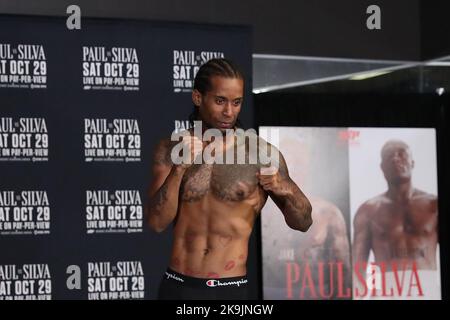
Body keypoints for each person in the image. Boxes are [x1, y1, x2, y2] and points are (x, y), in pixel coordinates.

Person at [145, 58, 312, 300]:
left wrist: (285, 188)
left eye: (237, 103)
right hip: (178, 286)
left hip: (229, 291)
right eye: (220, 101)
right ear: (198, 98)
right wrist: (179, 169)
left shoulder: (261, 154)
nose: (229, 112)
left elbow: (304, 222)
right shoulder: (170, 148)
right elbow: (156, 222)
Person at [262, 133, 351, 299]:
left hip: (315, 292)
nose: (295, 168)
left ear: (308, 166)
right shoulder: (259, 206)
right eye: (290, 162)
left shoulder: (327, 212)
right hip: (268, 292)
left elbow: (343, 272)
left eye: (299, 163)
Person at [352, 139, 439, 299]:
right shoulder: (368, 210)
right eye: (388, 156)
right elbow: (357, 268)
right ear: (382, 167)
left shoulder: (434, 206)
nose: (395, 158)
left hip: (427, 288)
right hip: (387, 290)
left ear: (412, 162)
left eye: (401, 153)